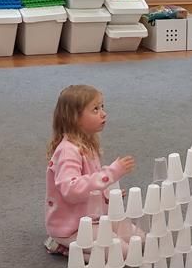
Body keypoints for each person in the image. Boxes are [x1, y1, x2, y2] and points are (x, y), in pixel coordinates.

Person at [45, 84, 135, 255]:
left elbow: (90, 181)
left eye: (102, 107)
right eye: (95, 109)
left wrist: (108, 194)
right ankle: (65, 247)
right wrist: (111, 173)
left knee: (139, 240)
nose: (103, 113)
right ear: (74, 118)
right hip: (72, 227)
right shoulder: (68, 151)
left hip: (93, 218)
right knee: (123, 252)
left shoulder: (87, 144)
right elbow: (72, 190)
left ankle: (79, 248)